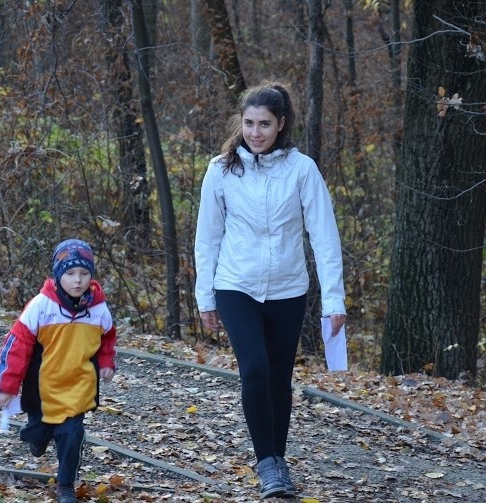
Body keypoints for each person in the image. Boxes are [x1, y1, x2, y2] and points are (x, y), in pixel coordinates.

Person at [194, 82, 346, 500]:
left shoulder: (302, 170)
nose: (255, 132)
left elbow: (325, 237)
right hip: (235, 285)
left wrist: (334, 300)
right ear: (240, 123)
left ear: (281, 124)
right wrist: (204, 295)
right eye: (248, 123)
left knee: (280, 379)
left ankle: (277, 462)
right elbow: (207, 237)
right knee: (255, 369)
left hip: (287, 288)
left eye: (264, 124)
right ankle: (266, 463)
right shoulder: (220, 170)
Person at [0, 239, 117, 503]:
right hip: (43, 388)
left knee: (71, 436)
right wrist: (5, 385)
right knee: (37, 433)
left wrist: (106, 361)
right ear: (58, 275)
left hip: (78, 386)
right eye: (70, 273)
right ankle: (38, 438)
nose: (77, 280)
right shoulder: (41, 306)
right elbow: (17, 344)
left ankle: (66, 485)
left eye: (84, 273)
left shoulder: (98, 309)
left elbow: (108, 337)